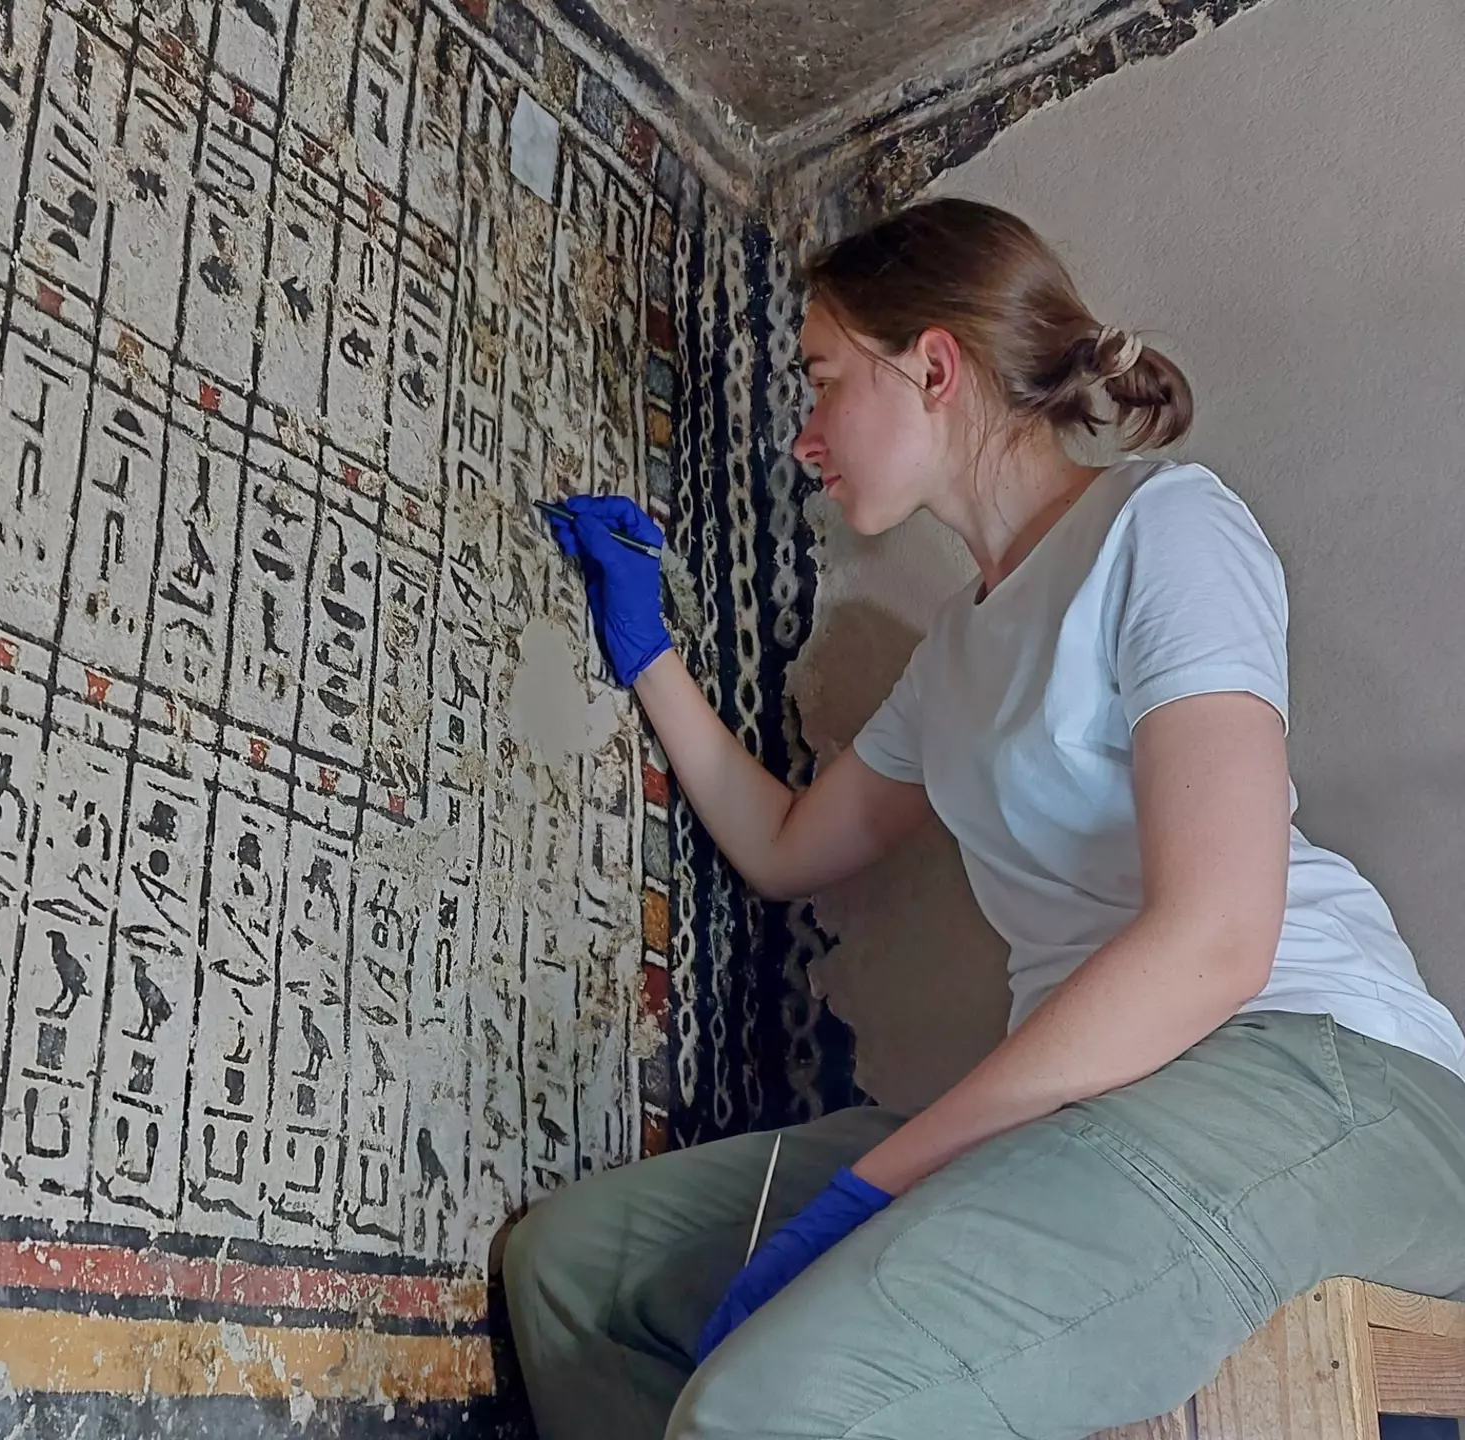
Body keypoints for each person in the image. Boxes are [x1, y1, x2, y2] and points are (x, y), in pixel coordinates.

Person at [507, 198, 1465, 1440]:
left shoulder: (1162, 525)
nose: (803, 436)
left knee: (766, 1408)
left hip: (1316, 1071)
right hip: (1081, 1109)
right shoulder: (949, 660)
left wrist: (875, 1182)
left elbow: (1218, 939)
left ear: (932, 365)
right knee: (575, 1272)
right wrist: (645, 653)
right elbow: (786, 849)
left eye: (821, 381)